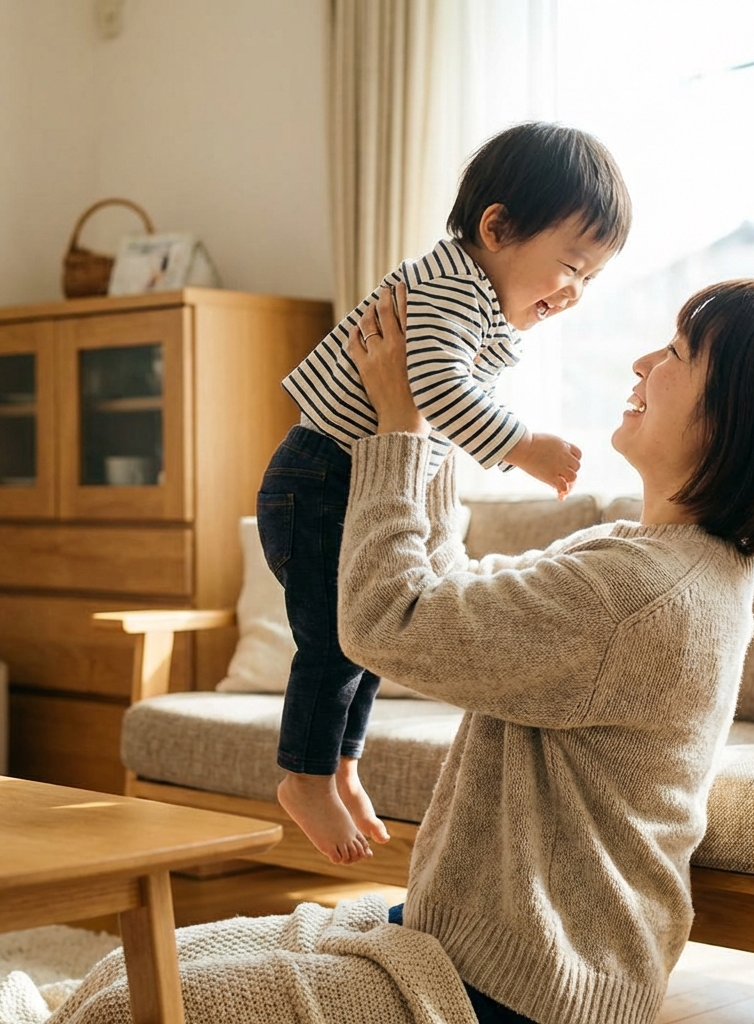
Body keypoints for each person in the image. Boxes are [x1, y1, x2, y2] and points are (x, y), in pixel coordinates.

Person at [335, 278, 754, 1024]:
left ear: (736, 420)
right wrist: (431, 430)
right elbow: (454, 592)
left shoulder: (635, 593)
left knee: (133, 993)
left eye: (679, 353)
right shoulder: (664, 560)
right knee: (164, 972)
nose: (642, 362)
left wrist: (395, 434)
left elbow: (386, 618)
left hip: (513, 985)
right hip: (508, 954)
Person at [257, 122, 632, 866]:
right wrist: (524, 445)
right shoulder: (450, 285)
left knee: (362, 641)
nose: (576, 293)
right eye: (570, 266)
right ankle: (302, 778)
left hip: (342, 479)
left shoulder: (476, 300)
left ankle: (340, 767)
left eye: (591, 279)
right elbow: (433, 387)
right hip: (320, 477)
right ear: (497, 227)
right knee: (333, 643)